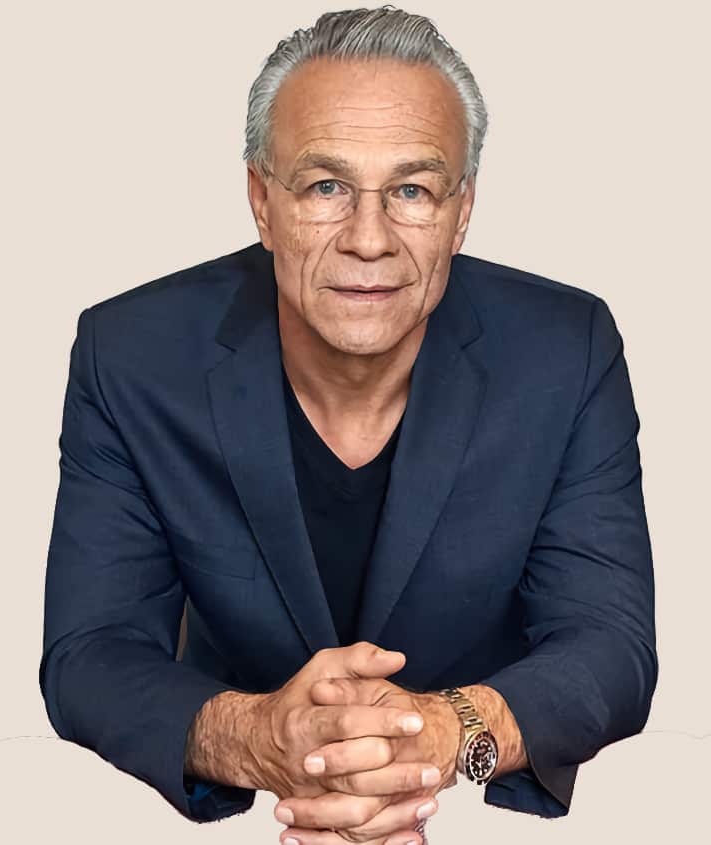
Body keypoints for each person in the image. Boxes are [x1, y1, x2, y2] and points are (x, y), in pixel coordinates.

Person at [39, 6, 658, 844]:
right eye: (326, 186)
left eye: (412, 190)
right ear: (262, 200)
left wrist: (441, 740)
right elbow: (90, 653)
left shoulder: (567, 351)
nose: (370, 240)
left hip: (473, 800)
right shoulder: (131, 357)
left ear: (462, 209)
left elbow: (611, 647)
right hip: (241, 803)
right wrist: (257, 740)